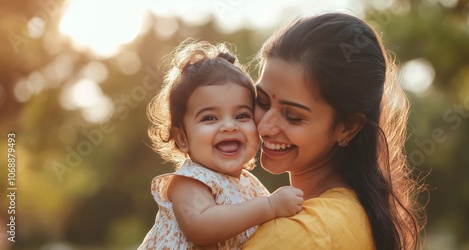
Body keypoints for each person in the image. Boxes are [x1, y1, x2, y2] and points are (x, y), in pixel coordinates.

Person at [243, 12, 426, 249]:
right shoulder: (359, 214)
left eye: (293, 116)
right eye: (262, 102)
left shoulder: (297, 235)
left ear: (347, 127)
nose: (265, 126)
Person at [138, 39, 304, 249]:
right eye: (210, 118)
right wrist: (269, 206)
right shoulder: (190, 182)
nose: (228, 126)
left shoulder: (249, 185)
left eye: (242, 115)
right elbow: (200, 226)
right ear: (182, 138)